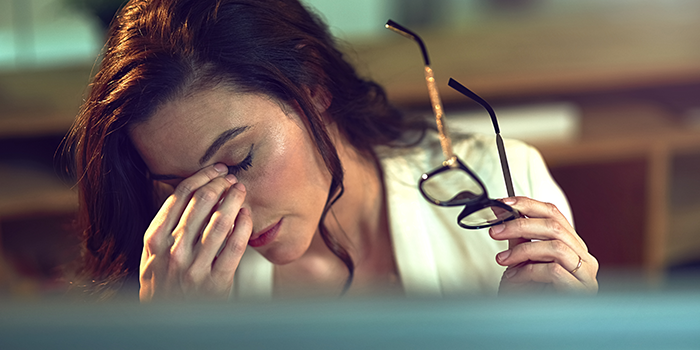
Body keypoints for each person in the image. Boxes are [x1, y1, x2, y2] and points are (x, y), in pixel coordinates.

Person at [64, 0, 598, 301]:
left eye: (240, 161)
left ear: (314, 91)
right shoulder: (167, 273)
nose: (235, 220)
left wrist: (570, 330)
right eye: (186, 189)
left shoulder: (501, 184)